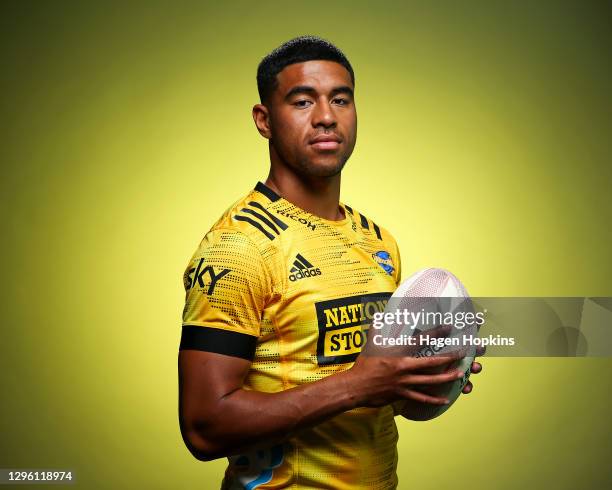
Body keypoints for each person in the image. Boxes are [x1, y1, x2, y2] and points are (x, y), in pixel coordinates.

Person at [178, 35, 482, 489]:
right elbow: (204, 427)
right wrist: (359, 385)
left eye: (341, 99)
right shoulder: (238, 247)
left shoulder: (377, 240)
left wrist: (423, 373)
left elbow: (371, 388)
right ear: (264, 120)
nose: (326, 117)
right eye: (302, 101)